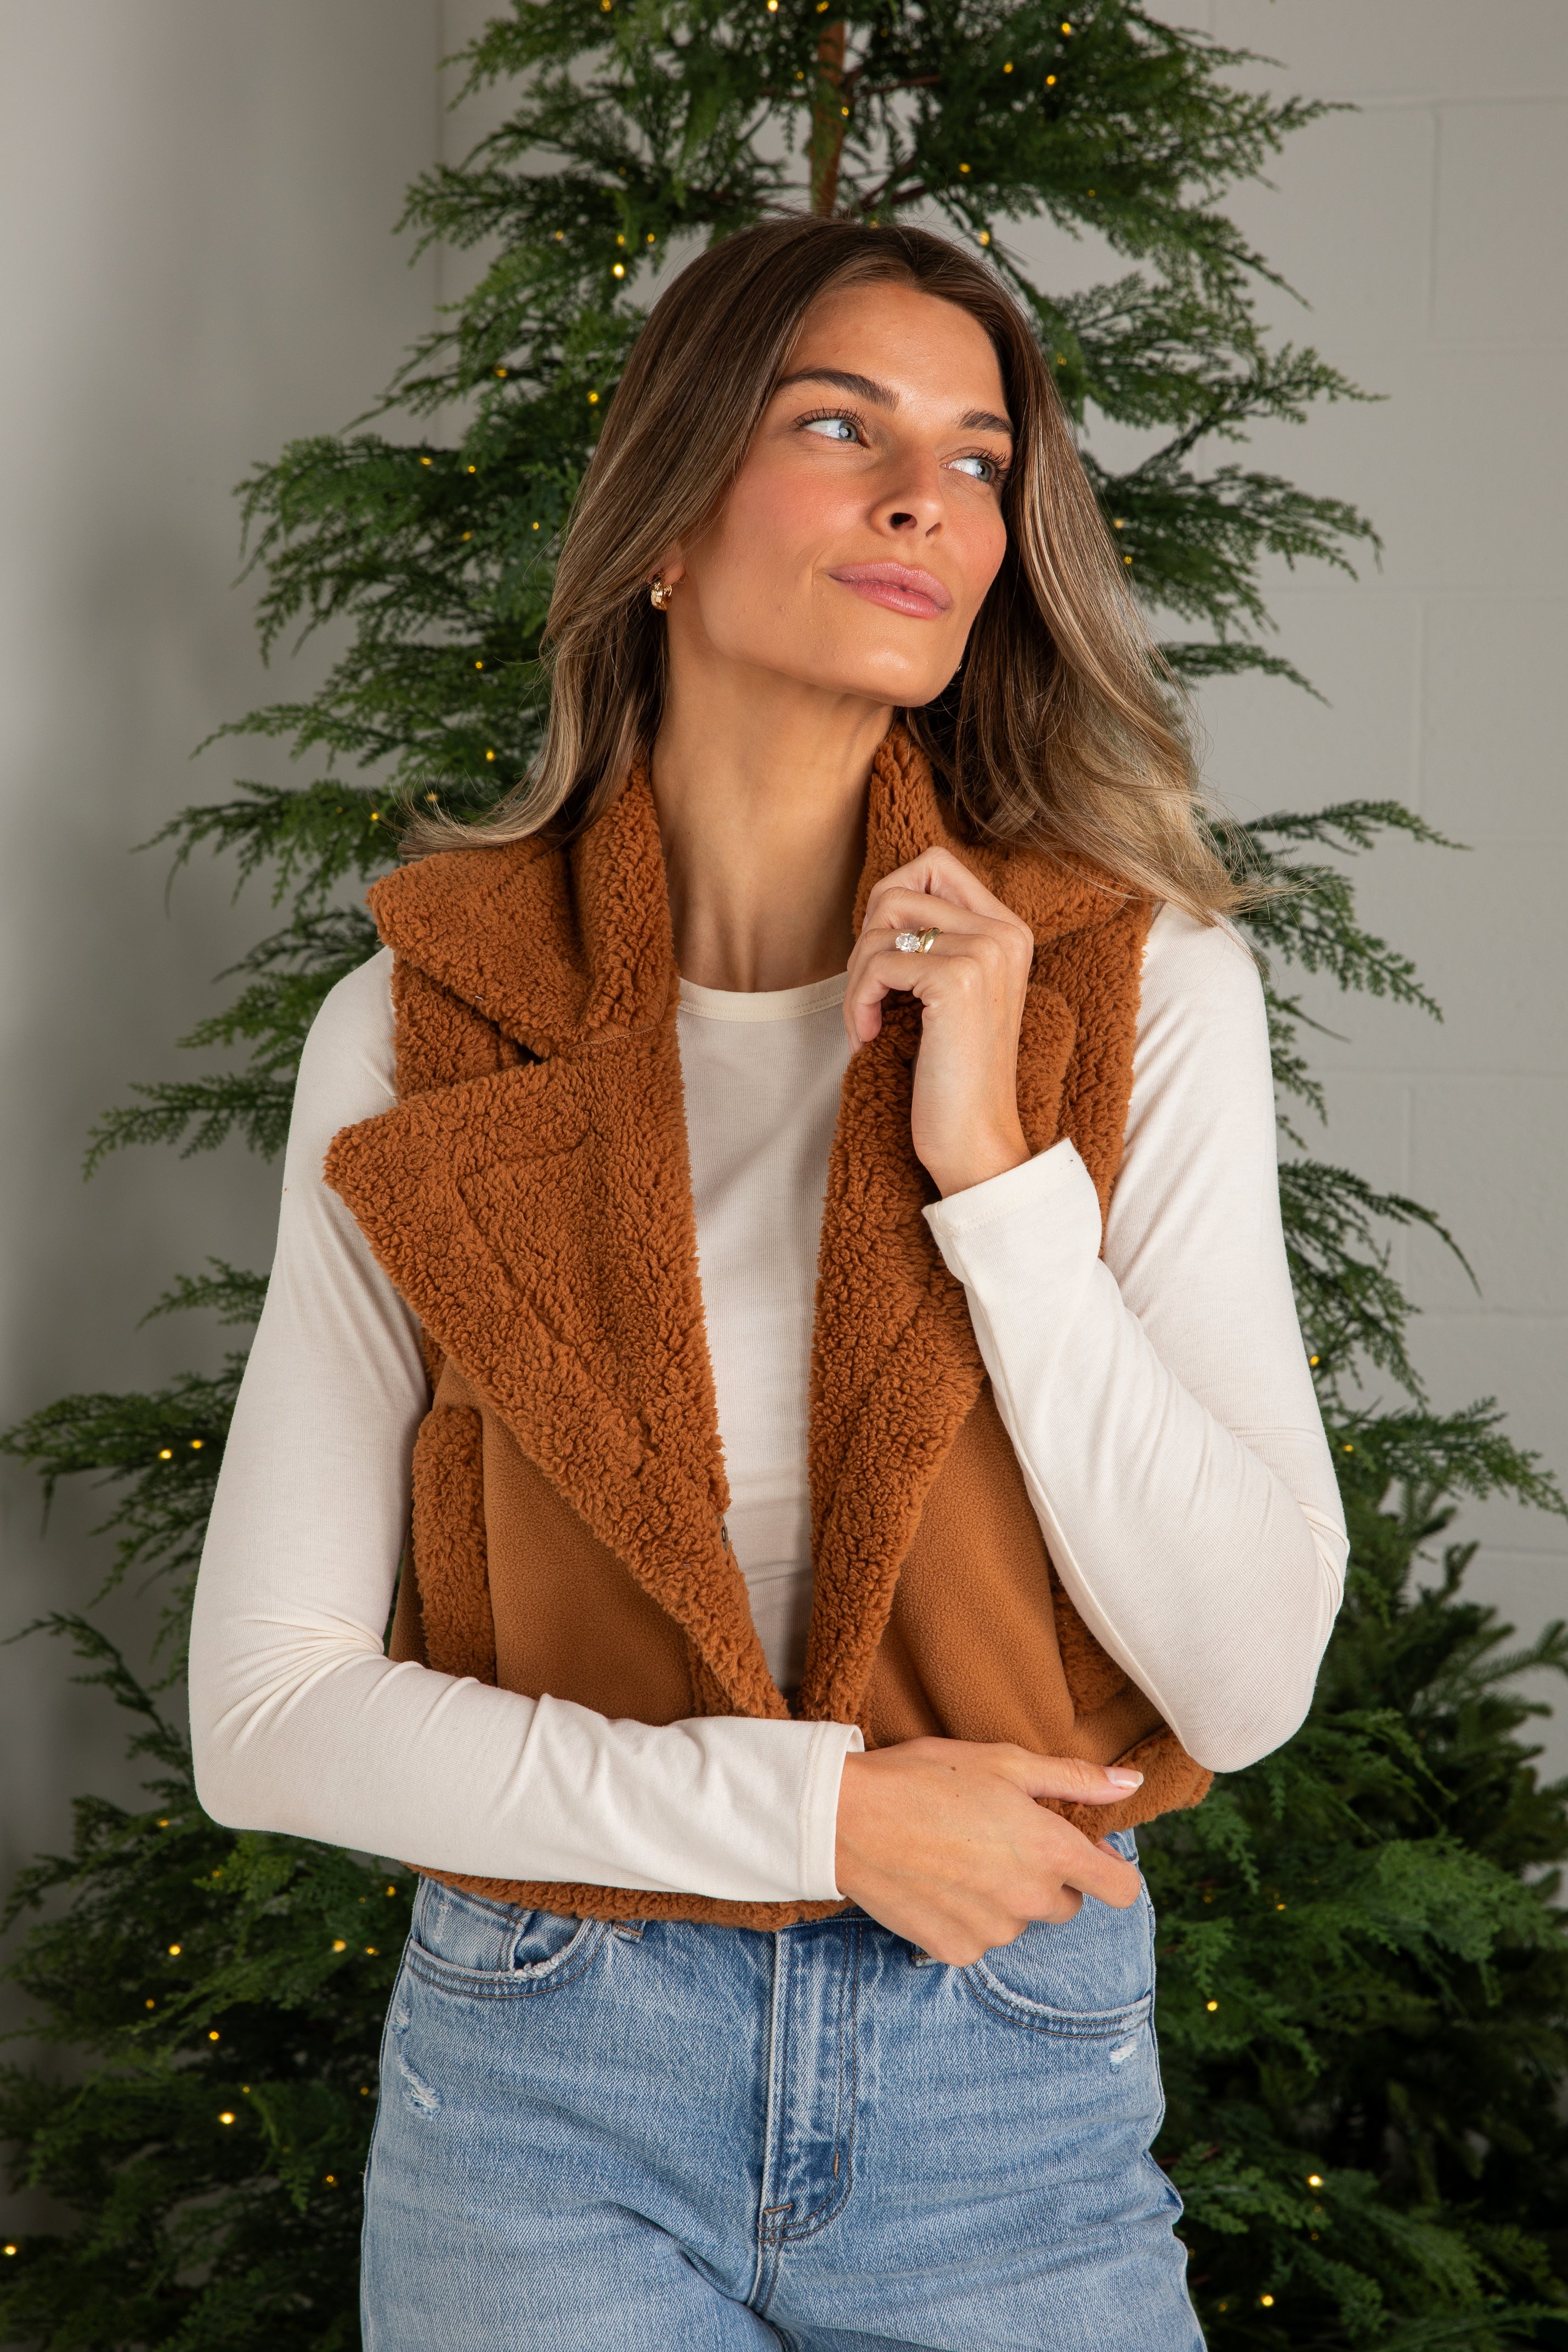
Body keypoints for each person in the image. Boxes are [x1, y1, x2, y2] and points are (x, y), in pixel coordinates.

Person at [189, 215, 1346, 2350]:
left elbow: (1244, 1671)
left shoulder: (1131, 985)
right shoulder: (425, 1024)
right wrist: (818, 1813)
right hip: (546, 2086)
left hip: (1002, 2080)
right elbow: (267, 1715)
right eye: (841, 426)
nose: (930, 496)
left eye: (981, 458)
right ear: (664, 519)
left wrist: (994, 1179)